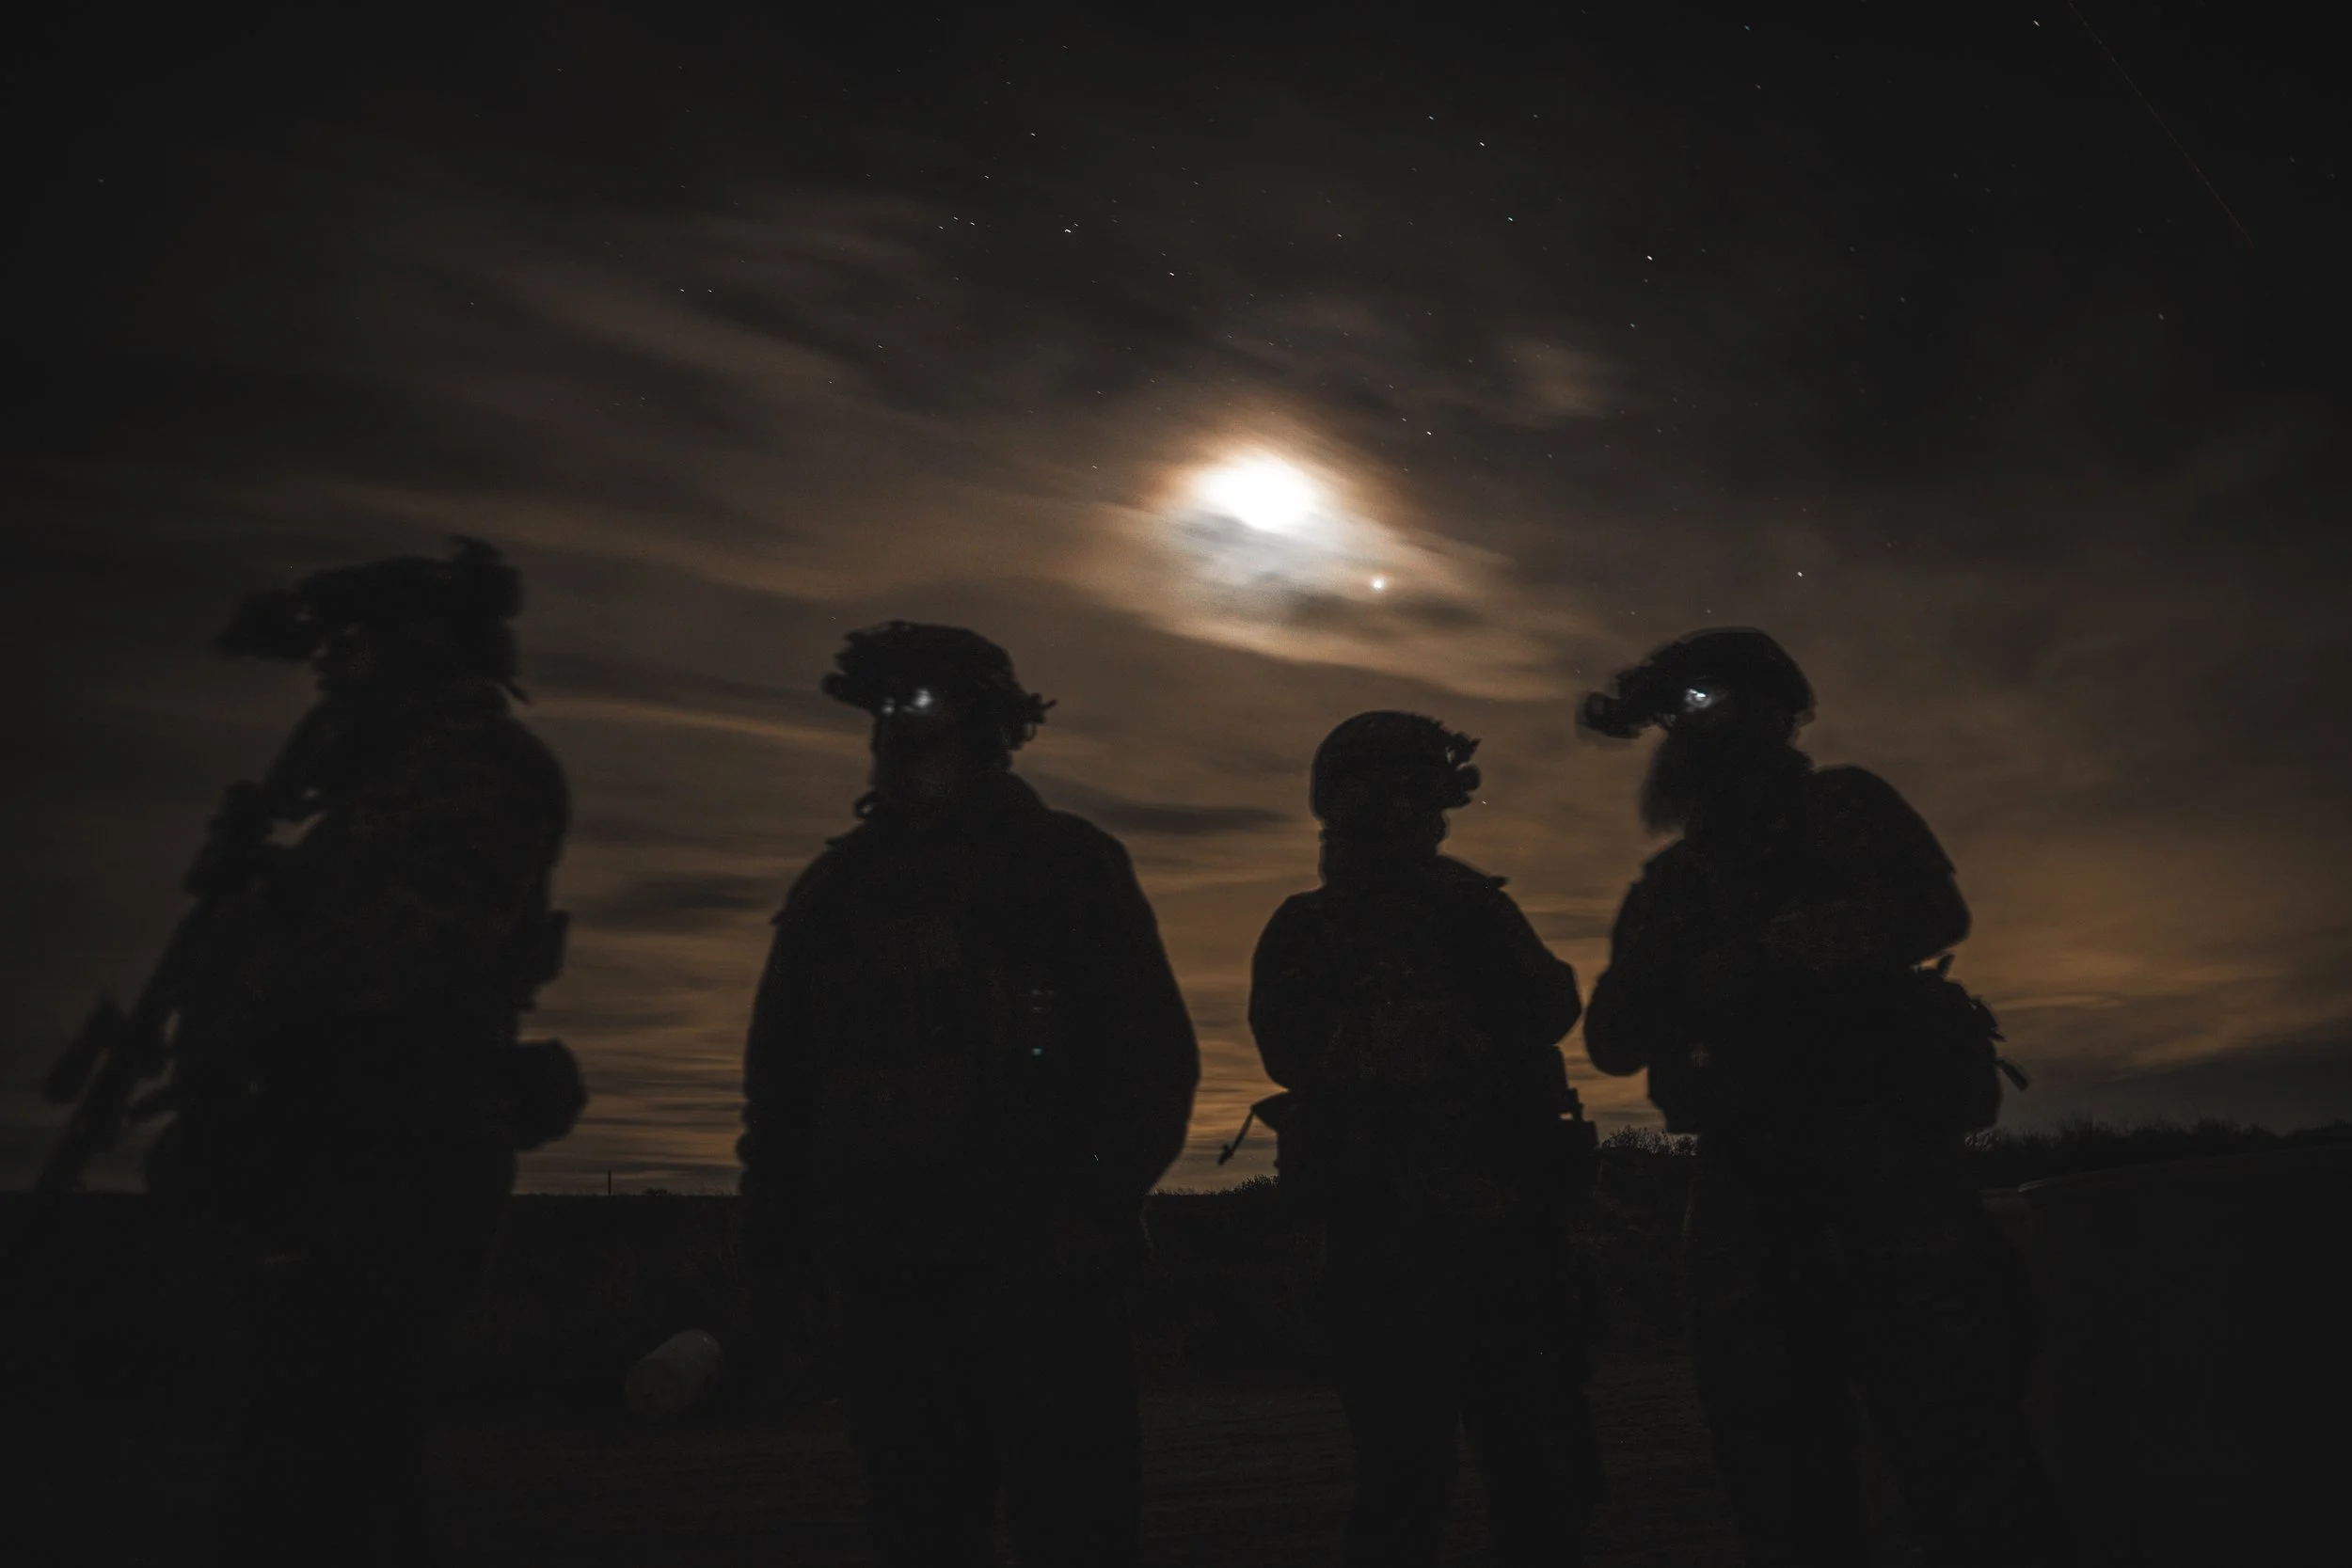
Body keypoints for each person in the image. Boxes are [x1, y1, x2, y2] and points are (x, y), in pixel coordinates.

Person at [1578, 627, 2071, 1568]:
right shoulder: (1672, 883)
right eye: (1679, 714)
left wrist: (1823, 943)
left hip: (1885, 1171)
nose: (1692, 733)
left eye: (1710, 705)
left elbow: (1934, 912)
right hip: (1747, 1190)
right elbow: (1612, 1035)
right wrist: (1720, 973)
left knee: (1960, 1455)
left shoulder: (1843, 806)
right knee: (1780, 1474)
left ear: (1771, 713)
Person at [146, 537, 579, 1567]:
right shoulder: (376, 790)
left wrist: (268, 942)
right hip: (317, 1139)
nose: (333, 671)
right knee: (283, 1455)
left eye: (354, 649)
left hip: (394, 1144)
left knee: (330, 1458)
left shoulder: (476, 770)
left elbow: (412, 946)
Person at [737, 621, 1200, 1568]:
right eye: (882, 716)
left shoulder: (1067, 864)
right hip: (887, 1275)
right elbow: (780, 1089)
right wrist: (780, 1254)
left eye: (920, 712)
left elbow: (1150, 1056)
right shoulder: (836, 890)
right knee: (913, 1523)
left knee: (1073, 1527)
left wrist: (1092, 1208)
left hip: (1045, 1273)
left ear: (986, 730)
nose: (893, 736)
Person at [1247, 711, 1598, 1568]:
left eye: (1427, 794)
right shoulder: (1310, 926)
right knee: (1406, 1478)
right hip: (1387, 1230)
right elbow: (1292, 1051)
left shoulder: (1470, 906)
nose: (1425, 814)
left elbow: (1551, 1007)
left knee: (1538, 1473)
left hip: (1502, 1223)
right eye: (1404, 792)